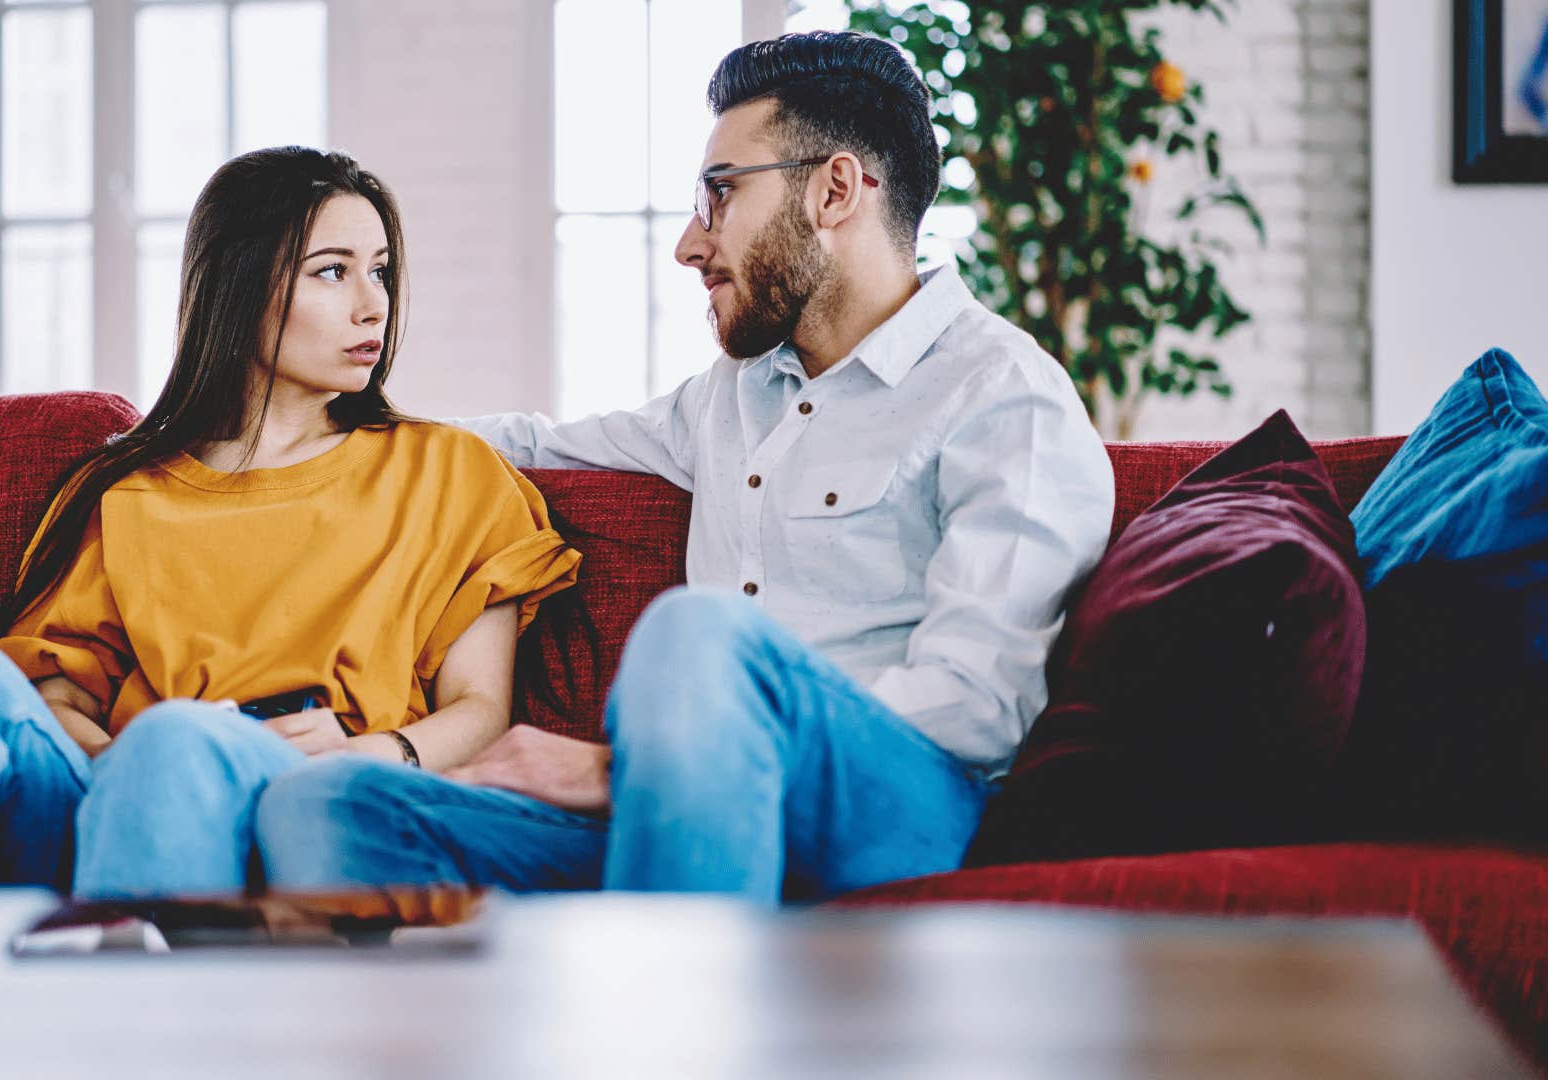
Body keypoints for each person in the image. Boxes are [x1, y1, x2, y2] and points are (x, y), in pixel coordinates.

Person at [254, 33, 1115, 906]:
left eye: (720, 193)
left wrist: (629, 765)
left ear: (836, 190)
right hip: (678, 808)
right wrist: (286, 431)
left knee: (698, 634)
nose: (691, 246)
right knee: (328, 804)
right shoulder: (735, 396)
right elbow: (530, 444)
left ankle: (677, 1021)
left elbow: (976, 709)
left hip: (904, 811)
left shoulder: (1004, 396)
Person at [0, 148, 580, 897]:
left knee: (179, 740)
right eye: (333, 272)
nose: (372, 303)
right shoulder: (131, 492)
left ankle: (141, 1015)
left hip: (293, 793)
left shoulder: (449, 472)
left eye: (379, 271)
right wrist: (119, 766)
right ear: (239, 287)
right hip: (108, 794)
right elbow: (60, 697)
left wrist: (373, 752)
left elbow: (482, 708)